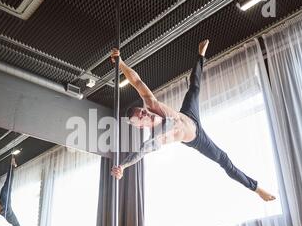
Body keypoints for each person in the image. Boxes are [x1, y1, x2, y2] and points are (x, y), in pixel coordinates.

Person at [110, 40, 276, 202]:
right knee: (224, 160)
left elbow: (137, 82)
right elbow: (139, 153)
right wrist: (123, 167)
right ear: (140, 127)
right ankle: (257, 189)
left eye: (141, 111)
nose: (144, 114)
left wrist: (121, 63)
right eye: (139, 117)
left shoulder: (153, 104)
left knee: (194, 87)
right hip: (197, 138)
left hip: (189, 115)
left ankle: (200, 55)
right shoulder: (156, 138)